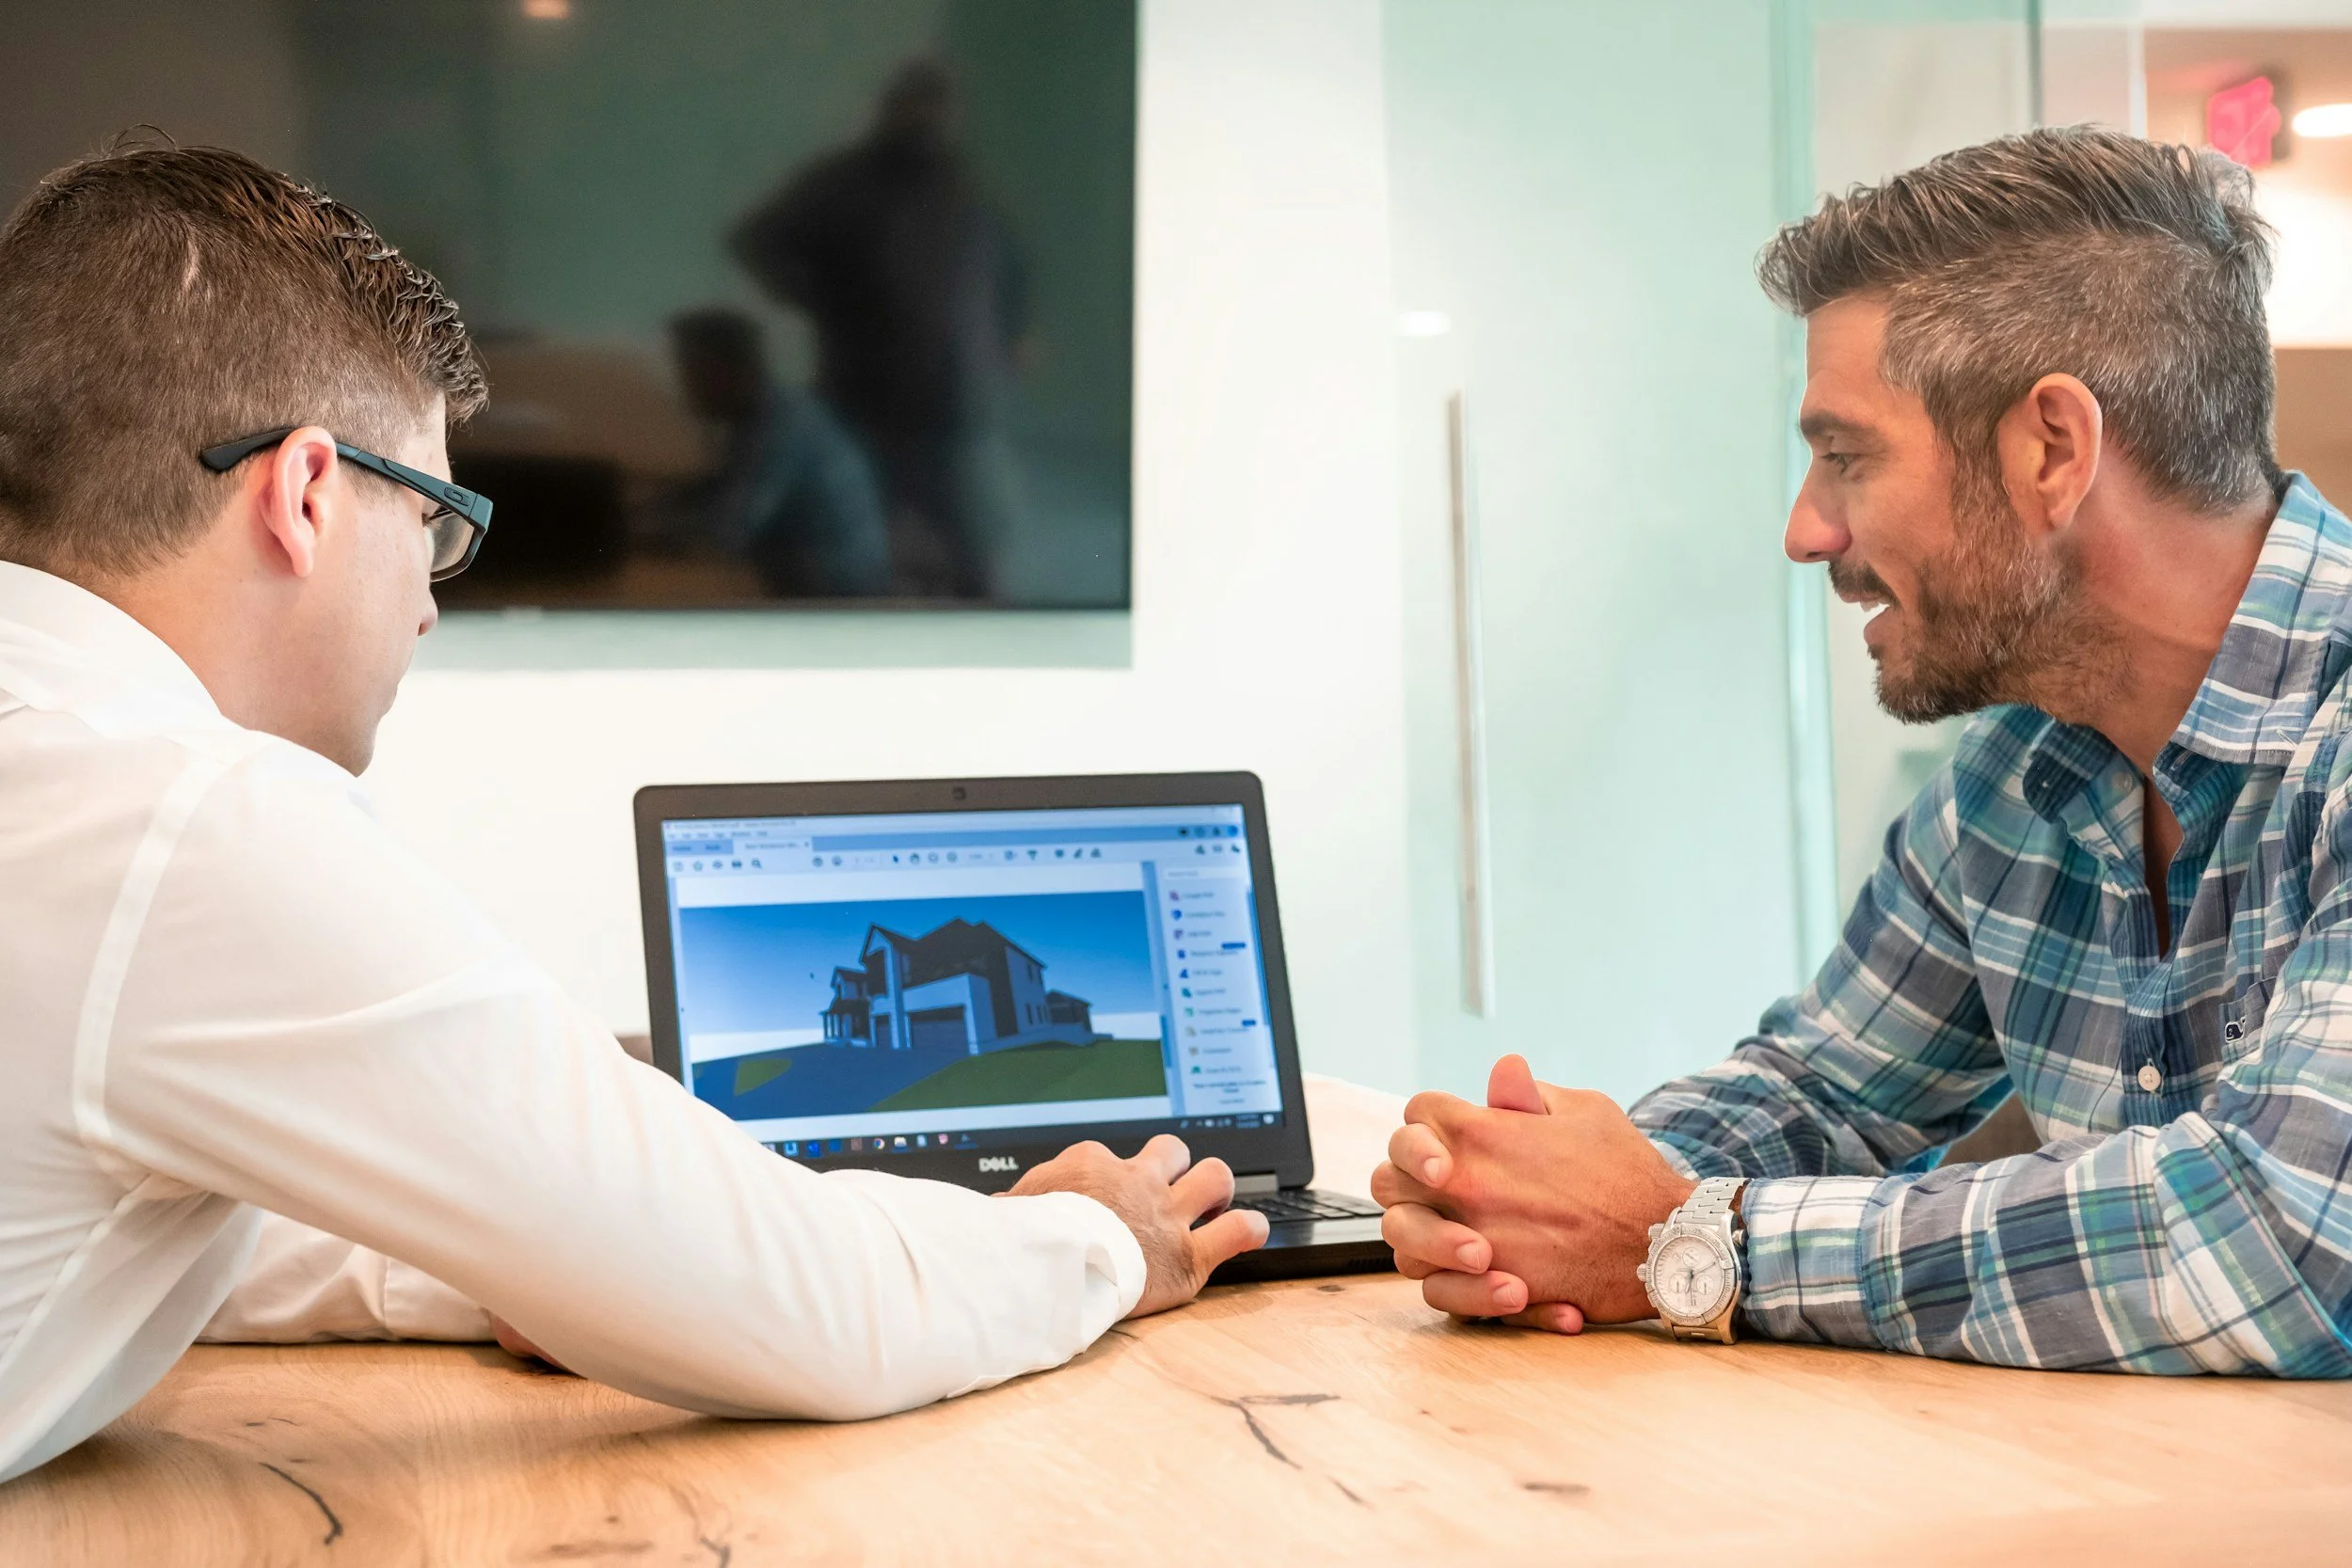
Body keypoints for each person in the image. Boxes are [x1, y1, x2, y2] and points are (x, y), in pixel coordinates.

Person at [0, 145, 1264, 1486]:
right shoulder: (187, 822)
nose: (431, 597)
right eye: (430, 520)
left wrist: (540, 1251)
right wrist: (1098, 1236)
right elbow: (813, 1307)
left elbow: (137, 1195)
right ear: (307, 495)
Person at [1375, 126, 2352, 1375]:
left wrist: (1689, 1240)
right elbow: (1828, 1091)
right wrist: (1521, 1190)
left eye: (1845, 455)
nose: (1804, 529)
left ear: (2052, 449)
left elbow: (2284, 1236)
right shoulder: (2022, 768)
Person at [731, 57, 1028, 600]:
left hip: (950, 401)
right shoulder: (843, 183)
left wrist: (1013, 336)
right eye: (913, 103)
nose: (926, 117)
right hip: (865, 397)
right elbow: (756, 239)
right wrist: (821, 298)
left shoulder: (959, 188)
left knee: (971, 549)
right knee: (859, 542)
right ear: (890, 108)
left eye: (937, 106)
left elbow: (1006, 267)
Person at [660, 307, 892, 598]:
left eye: (693, 371)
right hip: (816, 586)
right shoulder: (766, 413)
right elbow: (725, 489)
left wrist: (644, 534)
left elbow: (728, 532)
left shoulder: (781, 430)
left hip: (838, 601)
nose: (686, 387)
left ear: (729, 370)